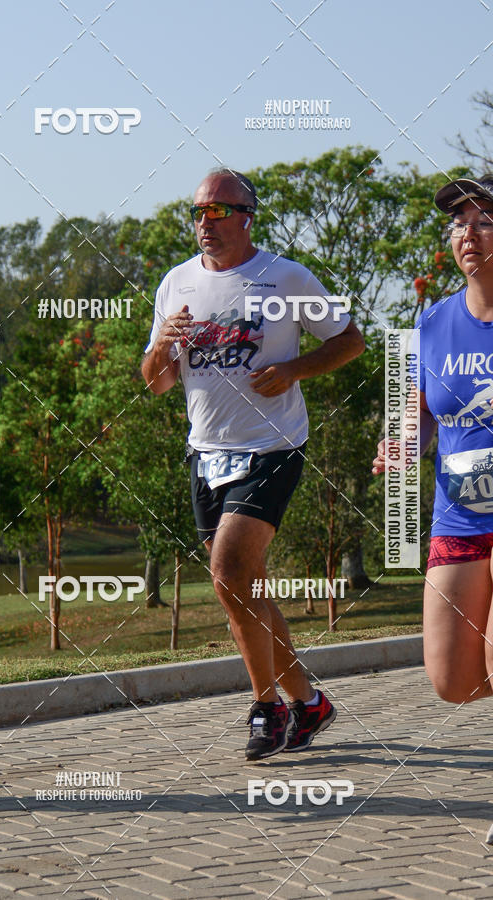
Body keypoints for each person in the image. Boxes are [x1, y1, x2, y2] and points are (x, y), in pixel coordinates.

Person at [142, 168, 365, 760]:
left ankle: (265, 708)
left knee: (229, 574)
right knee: (244, 589)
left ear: (246, 216)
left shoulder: (285, 277)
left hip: (272, 447)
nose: (203, 223)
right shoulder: (176, 284)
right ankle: (308, 703)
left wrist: (293, 370)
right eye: (196, 212)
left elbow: (350, 342)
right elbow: (158, 383)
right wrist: (164, 344)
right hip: (205, 452)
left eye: (217, 212)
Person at [373, 176, 493, 840]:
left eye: (482, 222)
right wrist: (402, 445)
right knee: (452, 680)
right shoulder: (432, 322)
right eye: (458, 225)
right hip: (460, 517)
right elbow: (421, 419)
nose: (467, 235)